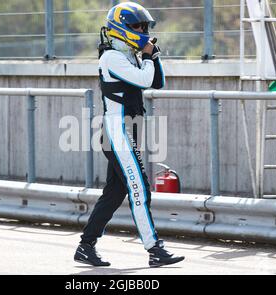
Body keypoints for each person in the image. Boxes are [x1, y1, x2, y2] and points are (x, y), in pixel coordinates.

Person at [74, 2, 185, 268]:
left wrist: (153, 57)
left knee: (114, 192)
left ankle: (85, 246)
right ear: (121, 28)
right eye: (137, 26)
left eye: (145, 26)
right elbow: (145, 80)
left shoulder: (130, 55)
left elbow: (157, 81)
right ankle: (154, 248)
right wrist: (147, 57)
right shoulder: (112, 57)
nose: (143, 31)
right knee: (140, 188)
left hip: (128, 130)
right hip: (117, 132)